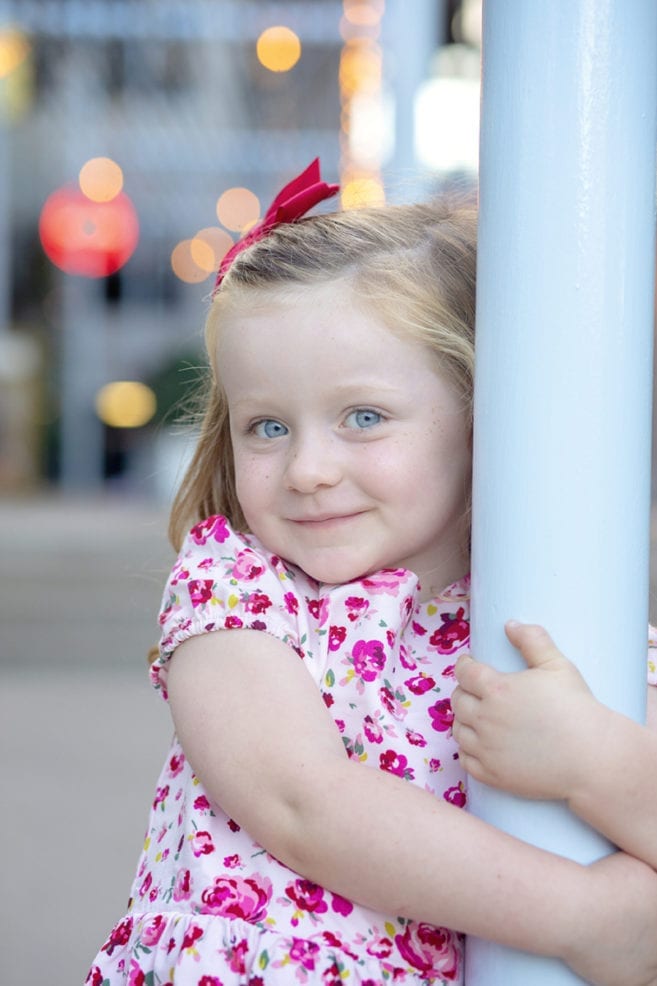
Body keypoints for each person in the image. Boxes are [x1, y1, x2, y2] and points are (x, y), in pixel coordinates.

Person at [86, 161, 657, 986]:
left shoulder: (563, 621)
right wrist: (581, 918)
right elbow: (300, 802)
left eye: (363, 417)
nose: (308, 469)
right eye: (267, 426)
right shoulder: (238, 587)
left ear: (483, 417)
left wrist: (595, 761)